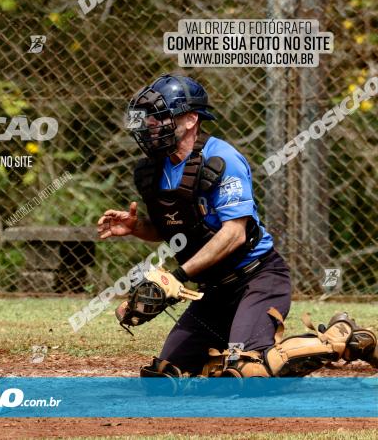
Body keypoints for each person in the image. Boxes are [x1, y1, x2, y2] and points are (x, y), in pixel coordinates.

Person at [98, 74, 377, 380]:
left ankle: (341, 339)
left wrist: (176, 278)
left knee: (249, 370)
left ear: (191, 119)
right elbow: (183, 230)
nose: (150, 125)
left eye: (160, 117)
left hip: (258, 279)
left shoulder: (221, 159)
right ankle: (234, 358)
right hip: (215, 293)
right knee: (164, 376)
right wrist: (139, 227)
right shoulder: (153, 169)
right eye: (148, 118)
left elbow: (234, 234)